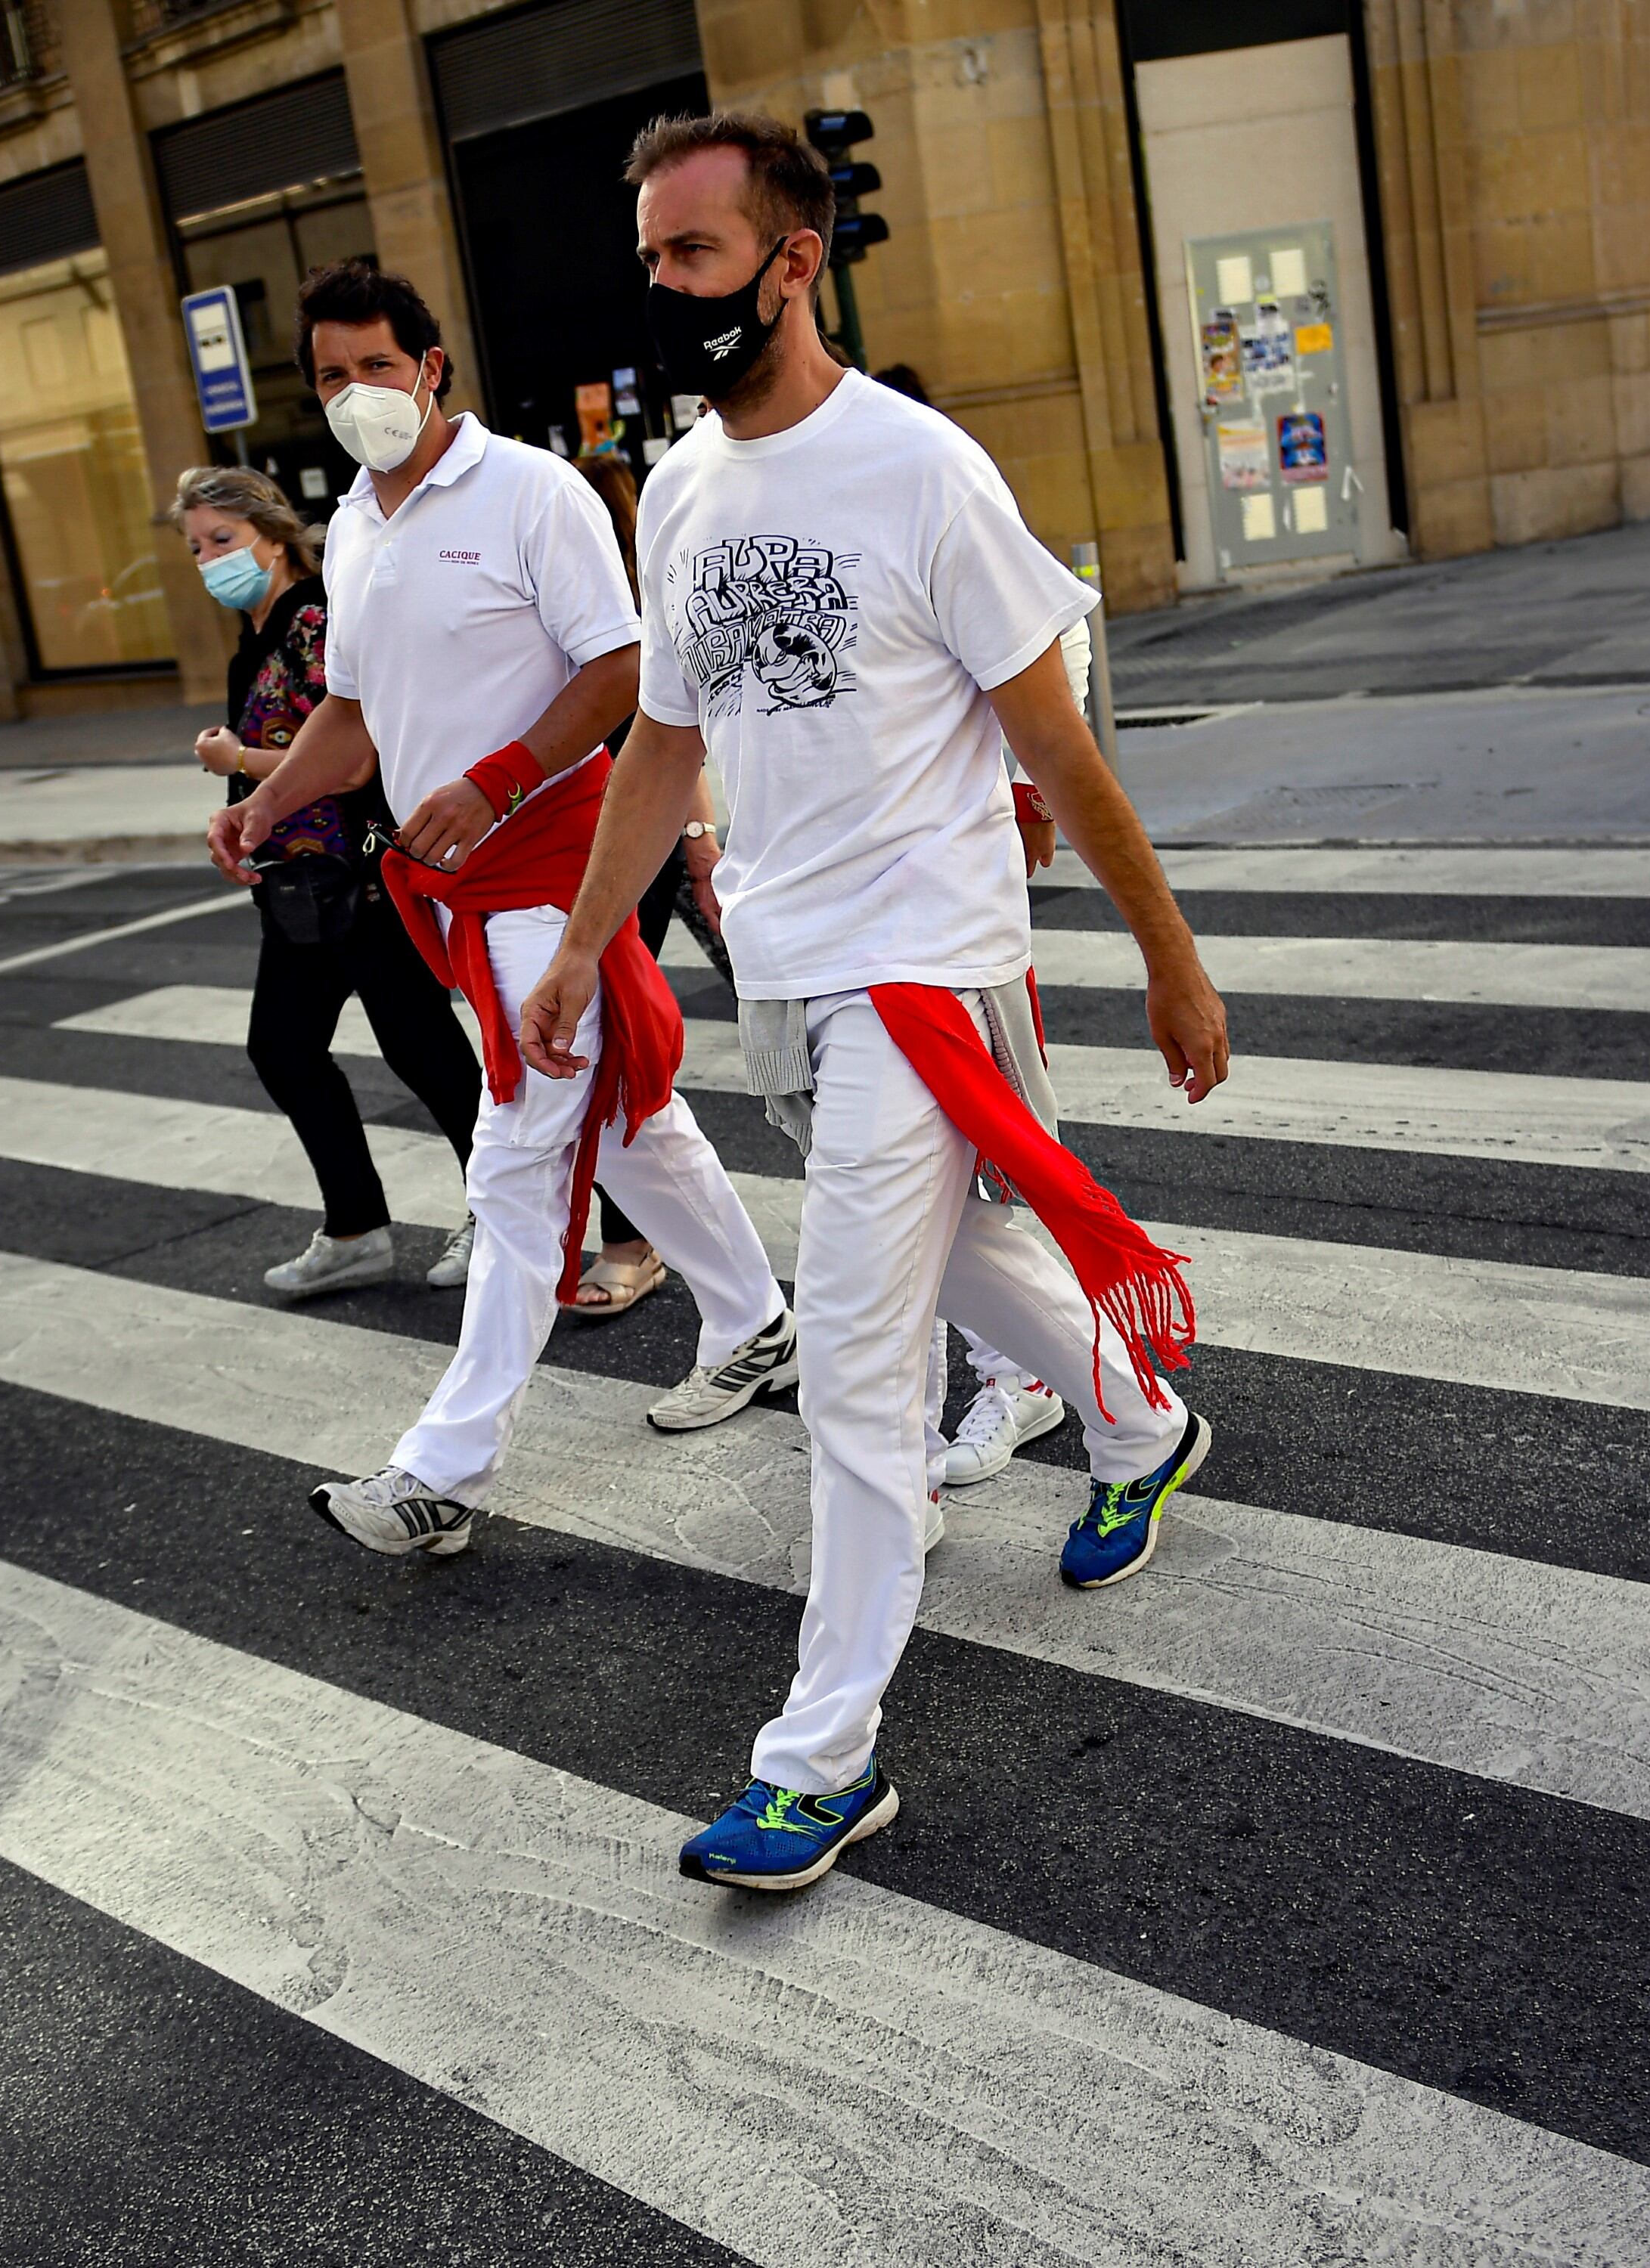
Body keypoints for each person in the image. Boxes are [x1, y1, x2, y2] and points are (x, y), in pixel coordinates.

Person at [523, 113, 1229, 1892]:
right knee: (957, 1255)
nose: (660, 286)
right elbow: (663, 740)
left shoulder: (918, 470)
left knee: (850, 1355)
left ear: (789, 260)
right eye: (648, 254)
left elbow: (1052, 738)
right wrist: (571, 943)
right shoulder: (676, 487)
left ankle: (816, 1758)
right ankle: (1139, 1422)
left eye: (690, 253)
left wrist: (1165, 950)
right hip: (790, 967)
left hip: (918, 969)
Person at [210, 259, 794, 1558]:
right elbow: (350, 720)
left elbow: (625, 668)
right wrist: (268, 806)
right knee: (633, 1123)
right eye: (326, 376)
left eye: (374, 364)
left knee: (519, 1156)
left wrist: (496, 779)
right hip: (455, 896)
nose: (354, 393)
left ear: (431, 369)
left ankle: (443, 1473)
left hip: (558, 872)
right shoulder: (357, 524)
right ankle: (757, 1322)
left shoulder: (531, 491)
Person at [175, 460, 485, 1300]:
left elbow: (356, 755)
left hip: (364, 877)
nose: (209, 560)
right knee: (282, 1048)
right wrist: (240, 812)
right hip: (298, 891)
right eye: (197, 546)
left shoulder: (314, 621)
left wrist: (239, 761)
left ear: (274, 539)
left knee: (426, 1054)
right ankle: (355, 1228)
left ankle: (497, 1218)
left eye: (224, 540)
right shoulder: (257, 642)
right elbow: (270, 773)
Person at [571, 442, 734, 1323]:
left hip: (653, 837)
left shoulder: (636, 602)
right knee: (614, 1029)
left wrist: (702, 841)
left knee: (780, 995)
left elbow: (677, 729)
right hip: (614, 841)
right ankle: (632, 1237)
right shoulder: (569, 600)